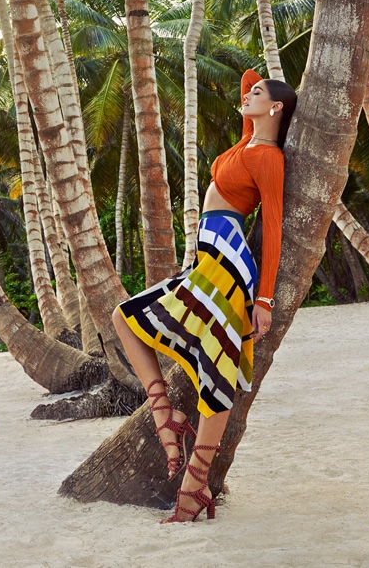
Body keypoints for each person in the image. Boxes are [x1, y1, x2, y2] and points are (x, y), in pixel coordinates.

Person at [112, 68, 297, 523]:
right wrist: (260, 88)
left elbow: (271, 227)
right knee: (126, 317)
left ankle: (194, 487)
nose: (248, 94)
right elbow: (248, 79)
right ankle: (166, 418)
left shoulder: (269, 156)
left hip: (229, 262)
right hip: (207, 256)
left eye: (258, 94)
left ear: (275, 107)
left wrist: (265, 301)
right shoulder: (245, 144)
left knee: (217, 369)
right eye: (249, 93)